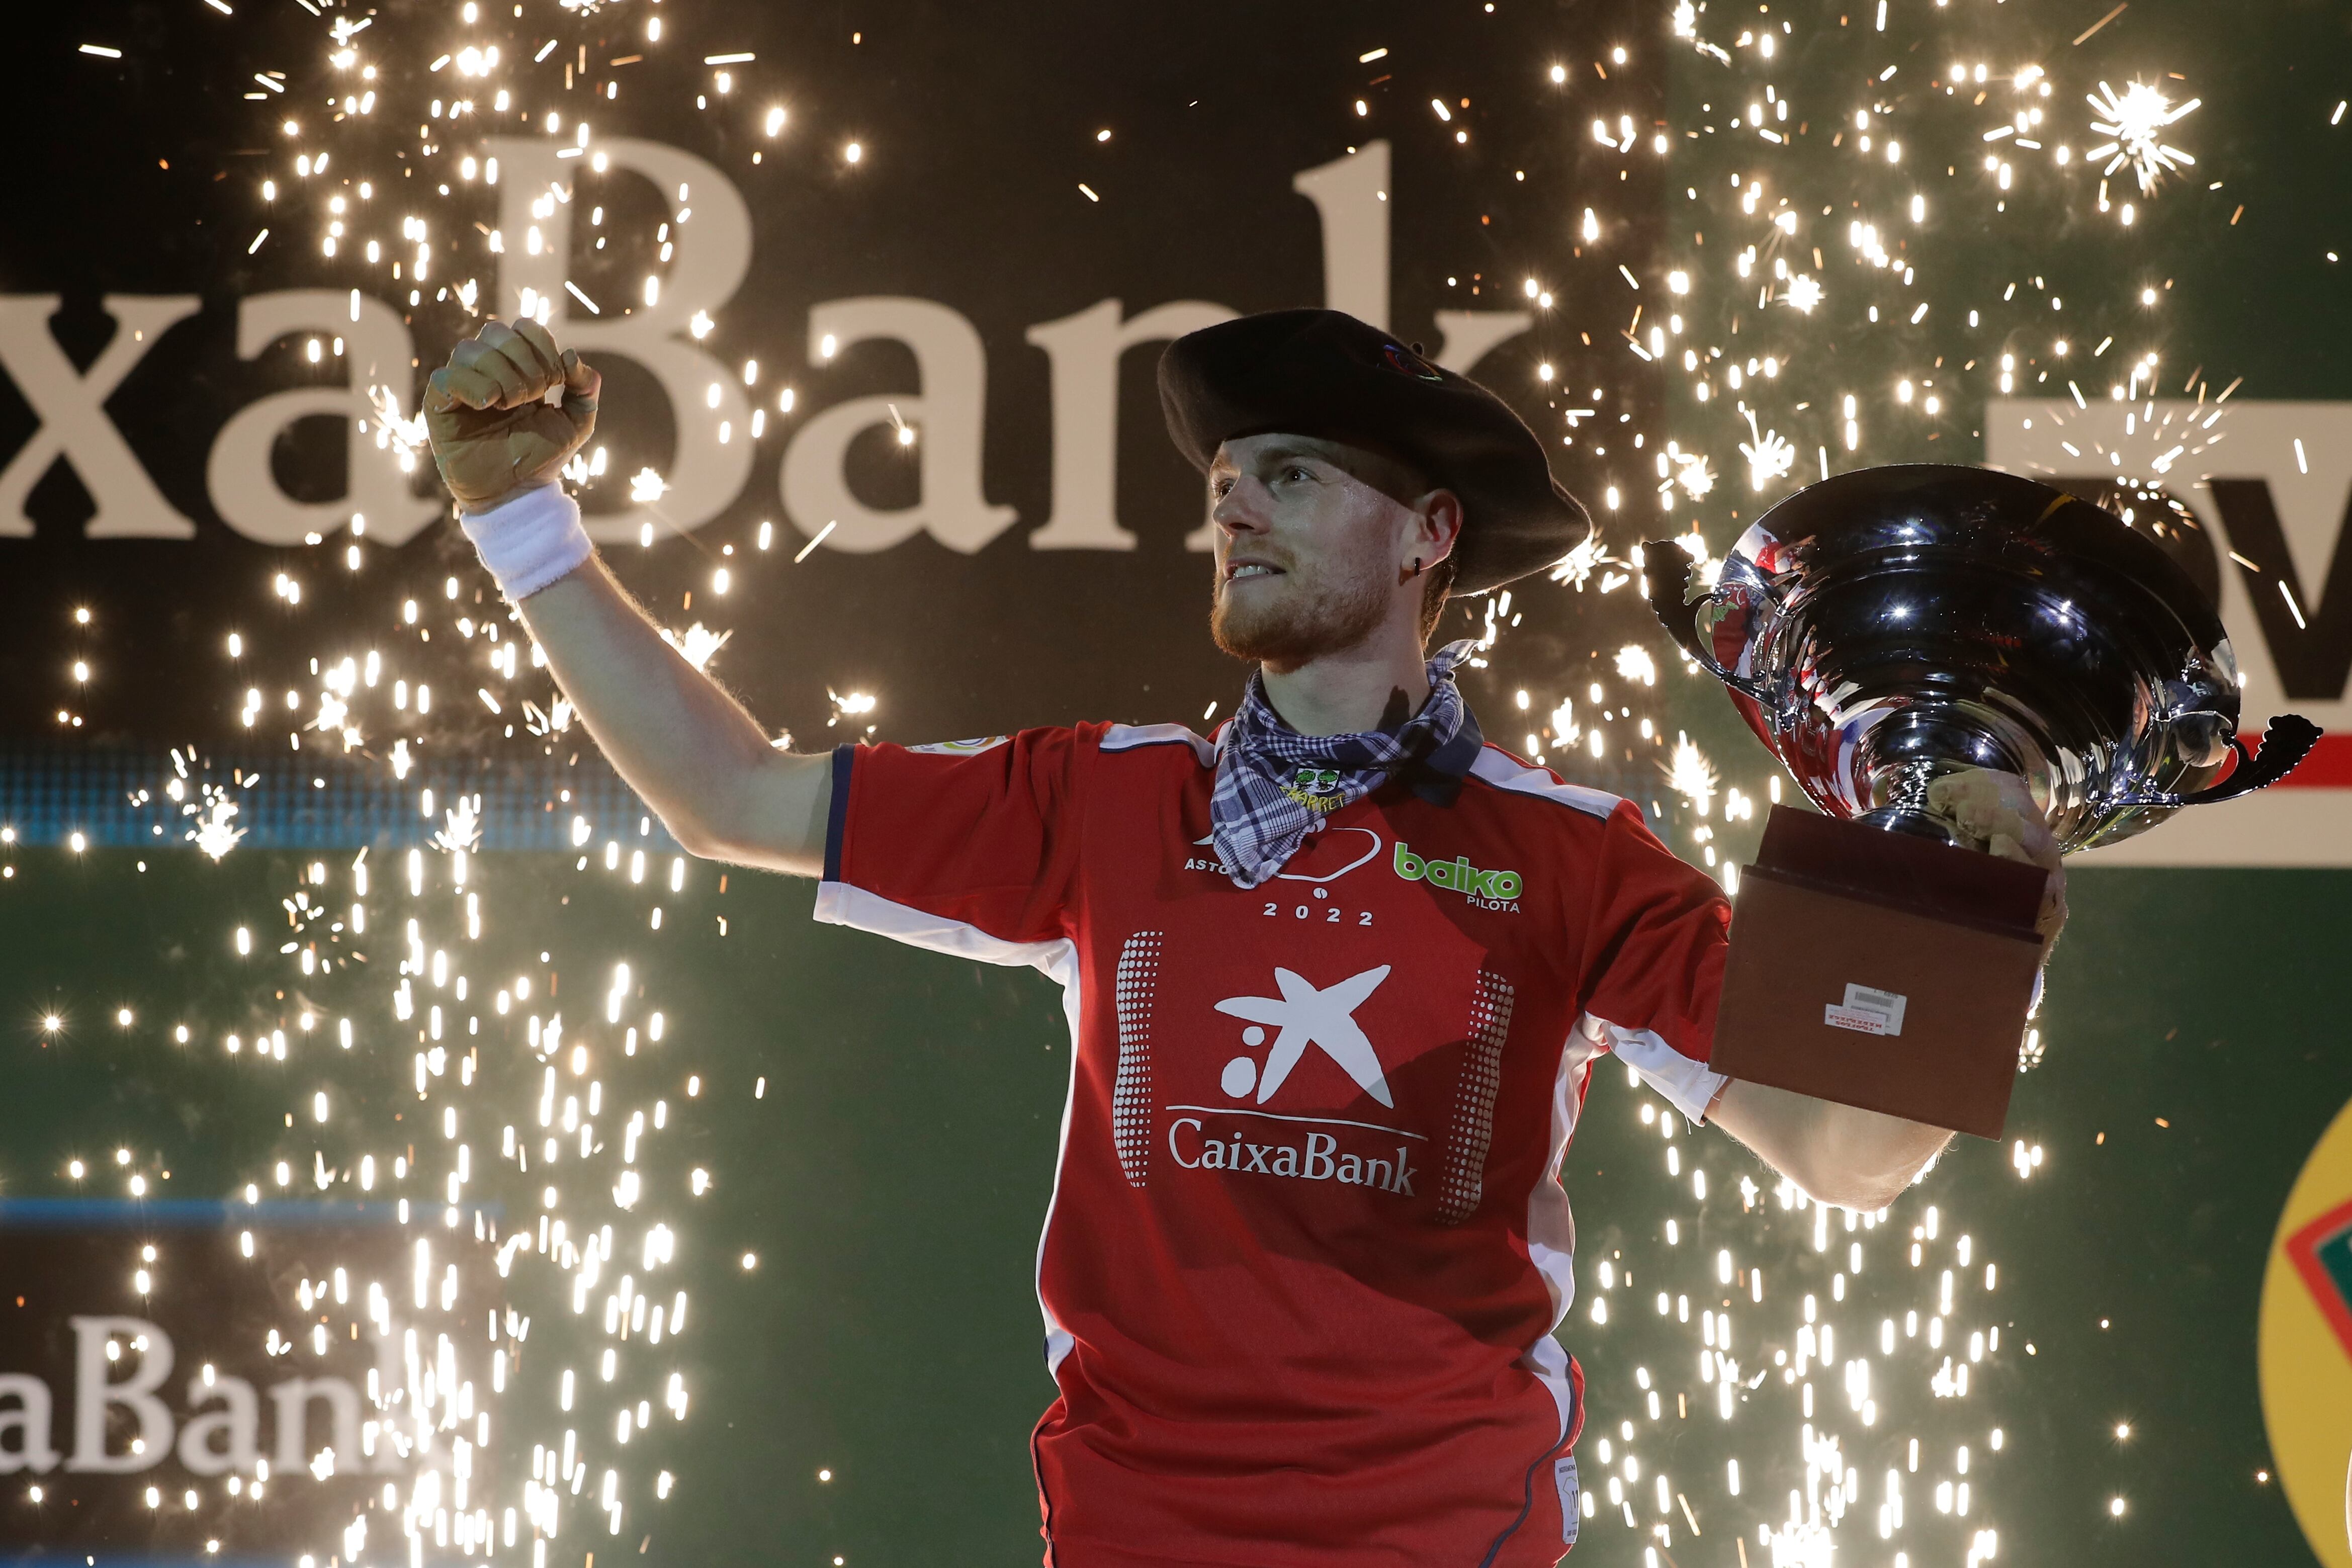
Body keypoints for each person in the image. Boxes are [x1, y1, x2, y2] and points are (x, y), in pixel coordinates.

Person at [422, 308, 2065, 1567]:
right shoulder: (1104, 802)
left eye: (1291, 479)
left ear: (1431, 536)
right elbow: (730, 796)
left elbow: (1849, 1155)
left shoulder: (1571, 860)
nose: (1238, 516)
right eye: (1225, 487)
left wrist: (1980, 923)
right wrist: (524, 528)